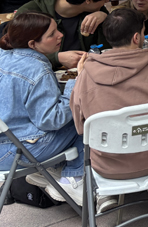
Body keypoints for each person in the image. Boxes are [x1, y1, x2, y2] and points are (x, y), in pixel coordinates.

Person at [70, 8, 148, 210]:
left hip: (108, 165)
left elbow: (80, 126)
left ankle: (106, 194)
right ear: (137, 37)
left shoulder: (86, 75)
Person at [0, 12, 86, 204]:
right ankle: (72, 179)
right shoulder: (37, 68)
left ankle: (55, 171)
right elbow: (51, 120)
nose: (60, 35)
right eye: (52, 34)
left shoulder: (3, 56)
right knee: (84, 117)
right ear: (32, 44)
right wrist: (76, 81)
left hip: (6, 146)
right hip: (19, 152)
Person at [18, 0, 117, 68]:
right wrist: (56, 58)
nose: (106, 2)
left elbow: (109, 49)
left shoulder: (96, 10)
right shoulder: (28, 14)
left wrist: (106, 18)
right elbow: (18, 58)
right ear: (88, 0)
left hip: (86, 74)